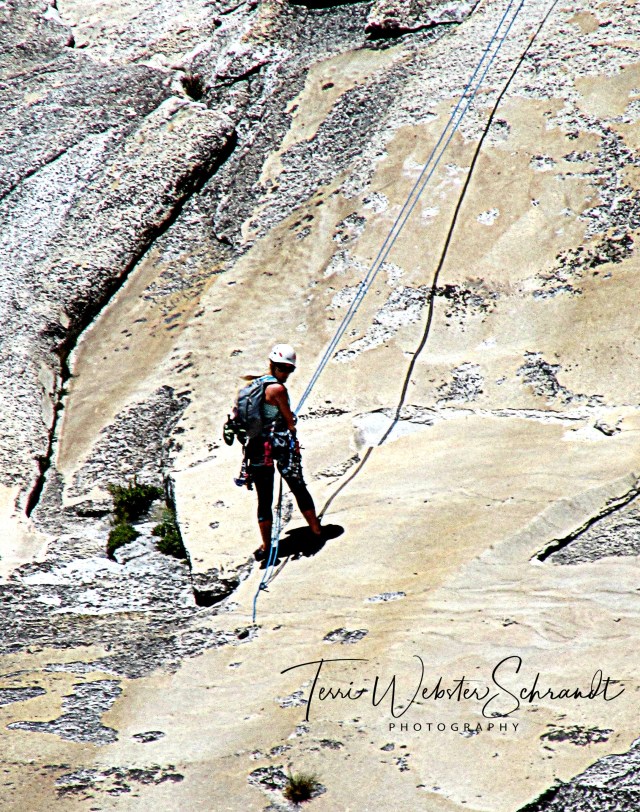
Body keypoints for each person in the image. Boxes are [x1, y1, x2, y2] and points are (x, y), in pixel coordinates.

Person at [247, 344, 322, 560]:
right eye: (284, 369)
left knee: (264, 499)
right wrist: (291, 425)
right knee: (298, 487)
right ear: (275, 366)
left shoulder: (255, 384)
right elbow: (288, 419)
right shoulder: (278, 389)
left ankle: (265, 546)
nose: (286, 374)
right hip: (279, 446)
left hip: (257, 448)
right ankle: (317, 530)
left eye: (289, 369)